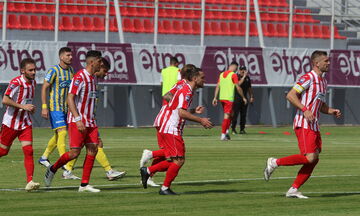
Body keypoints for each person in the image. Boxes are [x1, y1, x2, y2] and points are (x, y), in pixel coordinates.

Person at [263, 50, 342, 199]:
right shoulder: (308, 78)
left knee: (314, 159)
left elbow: (319, 105)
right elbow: (290, 95)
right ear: (316, 63)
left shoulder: (323, 81)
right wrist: (305, 110)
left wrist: (331, 111)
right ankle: (274, 162)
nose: (329, 63)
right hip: (304, 123)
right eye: (326, 61)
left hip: (314, 124)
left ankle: (293, 189)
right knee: (310, 157)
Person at [140, 67, 213, 195]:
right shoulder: (186, 90)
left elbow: (176, 108)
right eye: (202, 78)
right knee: (178, 160)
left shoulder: (186, 89)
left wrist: (192, 111)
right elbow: (180, 112)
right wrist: (200, 120)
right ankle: (164, 187)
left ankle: (149, 171)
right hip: (171, 128)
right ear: (194, 78)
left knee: (173, 160)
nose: (204, 80)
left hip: (169, 126)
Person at [44, 50, 103, 192]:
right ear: (92, 62)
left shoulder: (94, 78)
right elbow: (70, 98)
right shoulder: (79, 77)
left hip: (91, 121)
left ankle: (84, 185)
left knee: (93, 149)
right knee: (74, 153)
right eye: (99, 62)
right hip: (78, 121)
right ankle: (53, 168)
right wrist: (77, 119)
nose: (101, 65)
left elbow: (92, 102)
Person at [38, 47, 80, 180]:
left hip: (66, 108)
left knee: (57, 135)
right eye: (68, 55)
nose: (71, 57)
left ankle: (44, 157)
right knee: (62, 133)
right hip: (55, 107)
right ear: (61, 57)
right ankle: (66, 165)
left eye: (71, 55)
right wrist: (44, 106)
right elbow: (44, 87)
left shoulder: (71, 71)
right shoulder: (53, 70)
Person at [0, 58, 40, 191]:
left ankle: (30, 181)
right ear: (23, 71)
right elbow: (5, 100)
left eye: (35, 69)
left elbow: (27, 102)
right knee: (3, 151)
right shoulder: (16, 82)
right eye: (31, 70)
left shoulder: (33, 83)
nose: (34, 72)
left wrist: (30, 108)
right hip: (11, 123)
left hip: (25, 123)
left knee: (29, 151)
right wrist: (22, 106)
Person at [94, 58, 126, 180]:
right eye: (105, 70)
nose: (106, 74)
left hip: (89, 119)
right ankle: (109, 171)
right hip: (83, 119)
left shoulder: (94, 80)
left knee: (80, 149)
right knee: (96, 145)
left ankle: (67, 170)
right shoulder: (86, 78)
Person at [212, 62, 247, 141]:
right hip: (228, 99)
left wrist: (215, 97)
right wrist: (243, 97)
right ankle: (223, 135)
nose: (236, 70)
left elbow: (218, 85)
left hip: (222, 98)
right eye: (236, 68)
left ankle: (226, 131)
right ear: (234, 67)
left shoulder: (221, 74)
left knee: (232, 114)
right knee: (227, 116)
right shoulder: (233, 75)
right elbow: (238, 87)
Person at [231, 65, 254, 135]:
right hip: (237, 98)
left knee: (243, 115)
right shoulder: (236, 76)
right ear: (239, 70)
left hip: (244, 99)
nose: (243, 71)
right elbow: (238, 84)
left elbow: (249, 88)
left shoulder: (247, 78)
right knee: (235, 114)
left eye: (244, 69)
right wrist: (243, 77)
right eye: (241, 70)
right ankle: (233, 129)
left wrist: (251, 96)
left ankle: (242, 129)